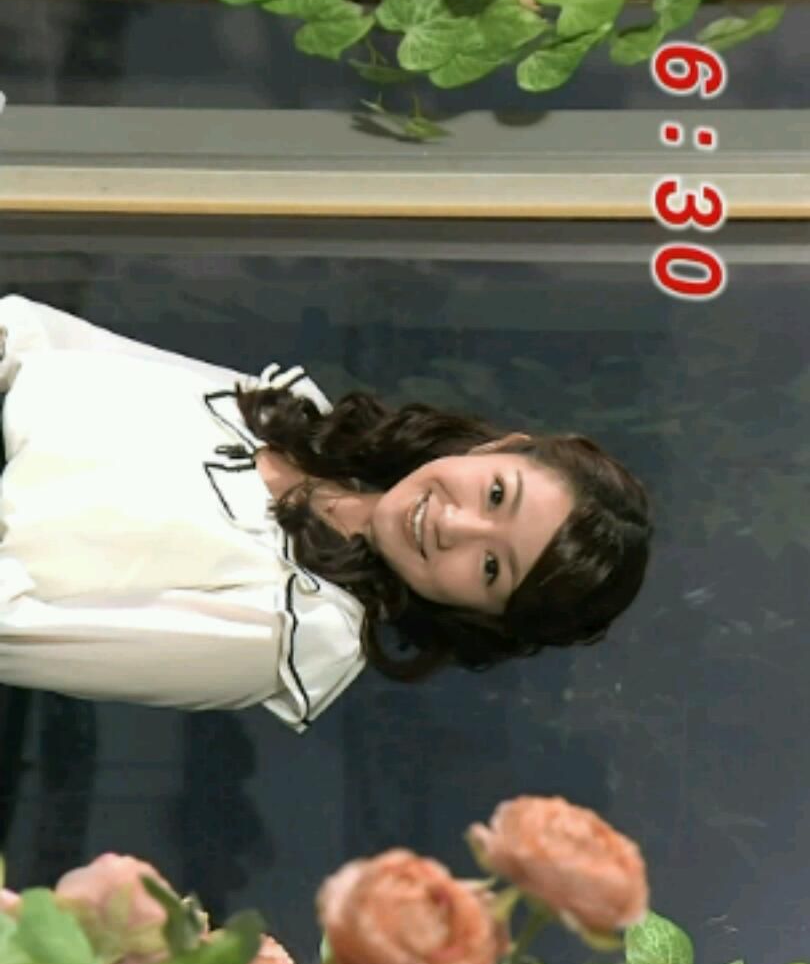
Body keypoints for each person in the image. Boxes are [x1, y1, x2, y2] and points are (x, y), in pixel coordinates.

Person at [0, 293, 653, 733]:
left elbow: (13, 633)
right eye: (497, 495)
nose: (454, 525)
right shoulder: (296, 417)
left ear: (482, 616)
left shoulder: (295, 632)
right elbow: (50, 344)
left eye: (490, 567)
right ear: (498, 448)